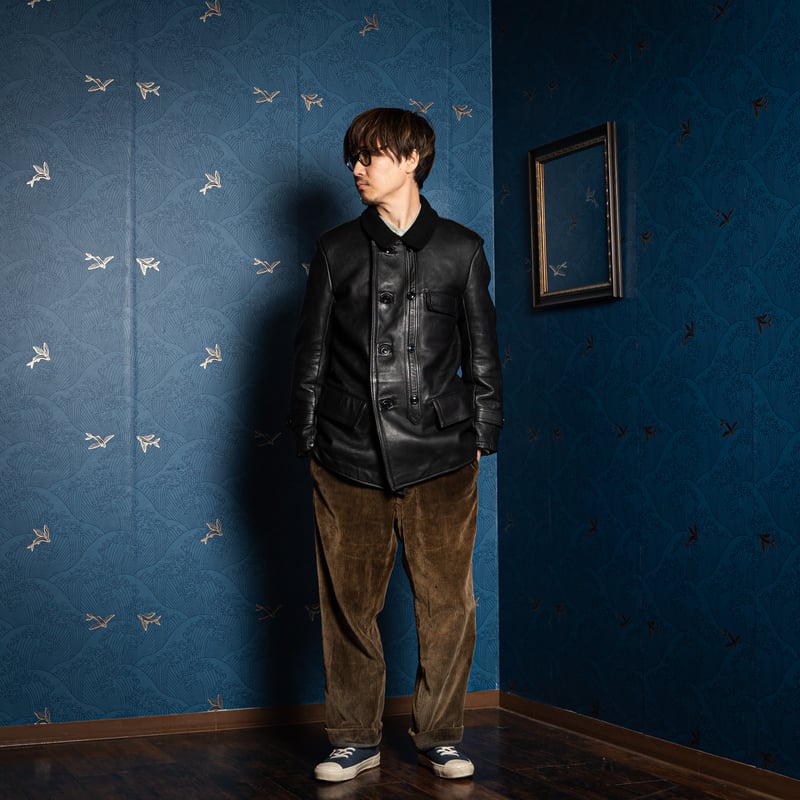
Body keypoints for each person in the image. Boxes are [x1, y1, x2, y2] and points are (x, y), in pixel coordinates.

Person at [290, 107, 503, 783]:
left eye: (370, 156)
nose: (356, 169)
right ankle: (354, 739)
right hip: (347, 453)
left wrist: (483, 436)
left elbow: (483, 352)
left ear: (411, 159)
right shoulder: (335, 250)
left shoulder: (462, 248)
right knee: (348, 606)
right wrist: (310, 438)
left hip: (443, 455)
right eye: (353, 158)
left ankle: (440, 736)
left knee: (448, 605)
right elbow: (311, 353)